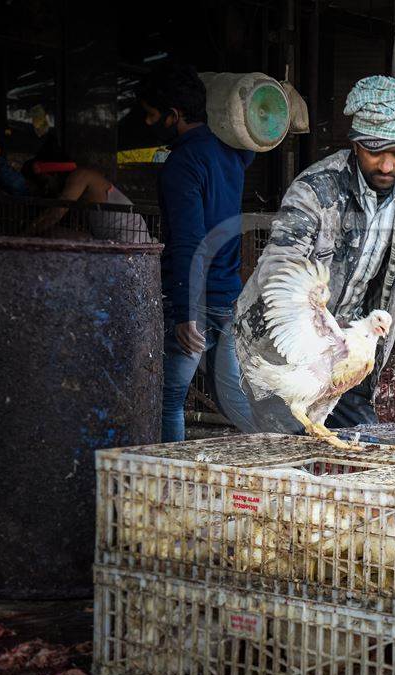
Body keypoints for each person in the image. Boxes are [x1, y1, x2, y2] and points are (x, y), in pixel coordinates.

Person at [234, 75, 395, 432]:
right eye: (375, 151)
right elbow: (279, 267)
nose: (386, 166)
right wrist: (318, 330)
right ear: (355, 144)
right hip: (289, 349)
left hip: (351, 352)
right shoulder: (317, 189)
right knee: (285, 452)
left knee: (362, 443)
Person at [138, 61, 256, 441]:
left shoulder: (181, 164)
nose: (147, 122)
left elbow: (190, 240)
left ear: (173, 116)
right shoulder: (231, 154)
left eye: (151, 115)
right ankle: (277, 455)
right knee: (233, 398)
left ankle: (169, 487)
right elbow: (252, 139)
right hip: (227, 295)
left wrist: (186, 311)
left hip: (197, 300)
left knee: (169, 400)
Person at [25, 161, 153, 243]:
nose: (46, 188)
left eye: (45, 182)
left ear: (54, 174)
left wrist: (22, 237)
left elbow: (55, 213)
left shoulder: (81, 175)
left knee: (52, 233)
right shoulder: (80, 190)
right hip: (119, 242)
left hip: (128, 242)